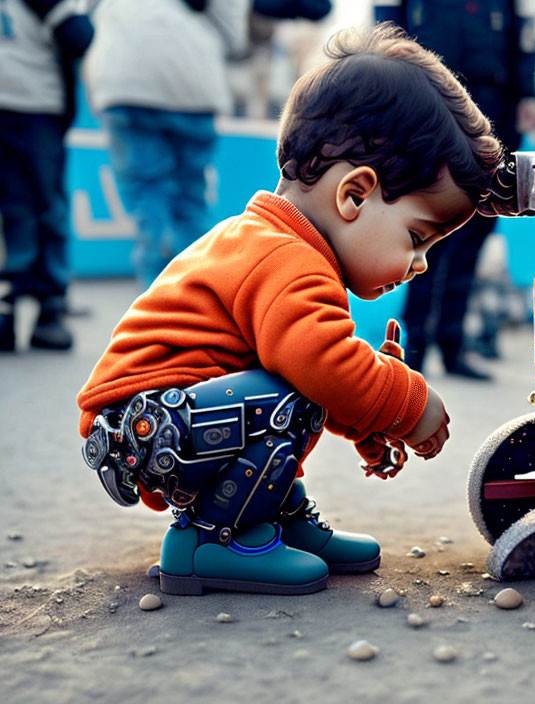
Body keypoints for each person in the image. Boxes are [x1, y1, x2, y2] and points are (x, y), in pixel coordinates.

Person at [77, 24, 502, 596]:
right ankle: (213, 540)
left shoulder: (277, 243)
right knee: (291, 393)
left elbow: (316, 374)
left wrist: (368, 420)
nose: (420, 263)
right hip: (151, 428)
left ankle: (271, 515)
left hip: (163, 422)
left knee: (290, 388)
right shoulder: (285, 258)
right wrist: (405, 402)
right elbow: (321, 364)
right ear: (354, 194)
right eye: (416, 237)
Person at [375, 0, 535, 379]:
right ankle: (411, 347)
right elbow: (386, 20)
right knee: (426, 224)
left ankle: (452, 345)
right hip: (430, 99)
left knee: (477, 225)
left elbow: (526, 32)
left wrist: (529, 92)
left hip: (494, 101)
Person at [82, 0, 251, 290]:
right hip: (192, 82)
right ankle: (195, 296)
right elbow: (234, 37)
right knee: (191, 199)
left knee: (147, 196)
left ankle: (153, 299)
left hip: (124, 77)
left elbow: (83, 15)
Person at [0, 0, 94, 351]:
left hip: (29, 106)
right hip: (34, 105)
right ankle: (48, 309)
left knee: (18, 208)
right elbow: (79, 36)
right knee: (44, 207)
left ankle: (14, 306)